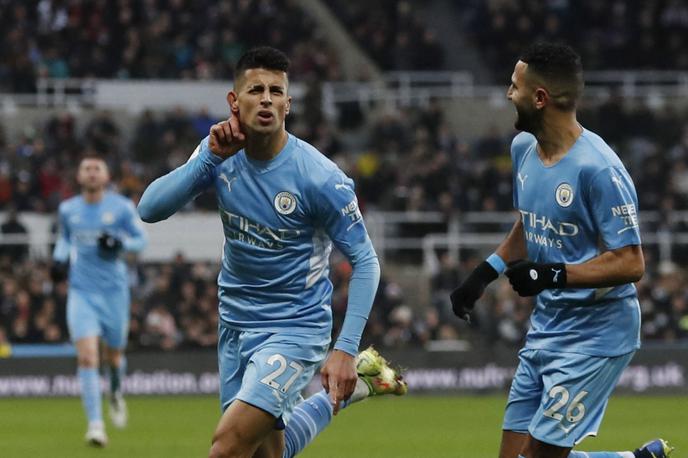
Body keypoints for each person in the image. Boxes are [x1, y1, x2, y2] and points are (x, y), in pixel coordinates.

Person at [138, 46, 406, 458]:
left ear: (288, 103)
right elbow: (150, 208)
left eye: (276, 91)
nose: (266, 98)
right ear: (234, 101)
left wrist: (345, 348)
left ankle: (357, 374)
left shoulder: (319, 178)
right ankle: (364, 386)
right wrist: (207, 158)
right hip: (235, 324)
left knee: (227, 447)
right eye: (256, 89)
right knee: (266, 454)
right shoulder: (218, 153)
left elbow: (366, 261)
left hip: (295, 327)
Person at [450, 43, 674, 458]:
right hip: (546, 327)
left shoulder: (600, 169)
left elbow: (631, 262)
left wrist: (553, 274)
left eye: (514, 86)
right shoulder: (523, 150)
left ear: (540, 98)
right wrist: (485, 273)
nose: (507, 94)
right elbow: (530, 224)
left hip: (597, 333)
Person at [52, 154, 147, 447]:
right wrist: (58, 258)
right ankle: (95, 425)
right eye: (86, 169)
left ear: (106, 177)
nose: (92, 173)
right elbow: (66, 239)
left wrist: (120, 244)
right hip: (81, 292)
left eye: (97, 169)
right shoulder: (68, 209)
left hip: (114, 293)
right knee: (88, 357)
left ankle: (116, 393)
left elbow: (140, 241)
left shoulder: (121, 207)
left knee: (114, 356)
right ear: (79, 177)